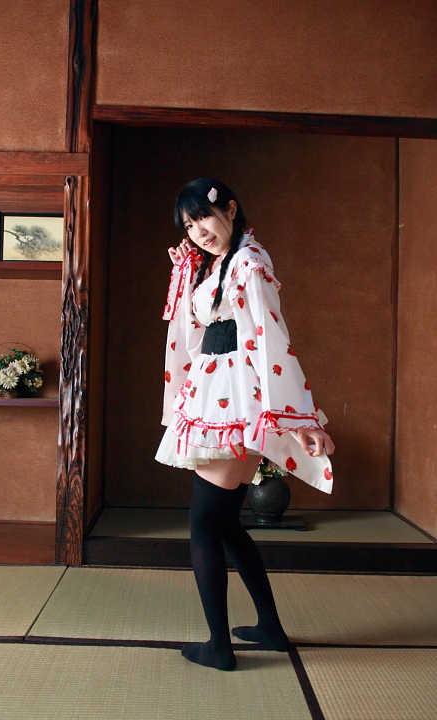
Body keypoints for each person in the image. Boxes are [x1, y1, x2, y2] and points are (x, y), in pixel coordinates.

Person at [155, 178, 335, 671]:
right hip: (219, 392)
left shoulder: (249, 261)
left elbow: (270, 335)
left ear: (230, 210)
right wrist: (187, 271)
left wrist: (299, 416)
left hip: (235, 398)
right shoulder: (214, 263)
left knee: (203, 524)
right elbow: (194, 330)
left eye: (204, 217)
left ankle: (219, 646)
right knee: (226, 524)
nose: (198, 231)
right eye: (189, 226)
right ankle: (270, 628)